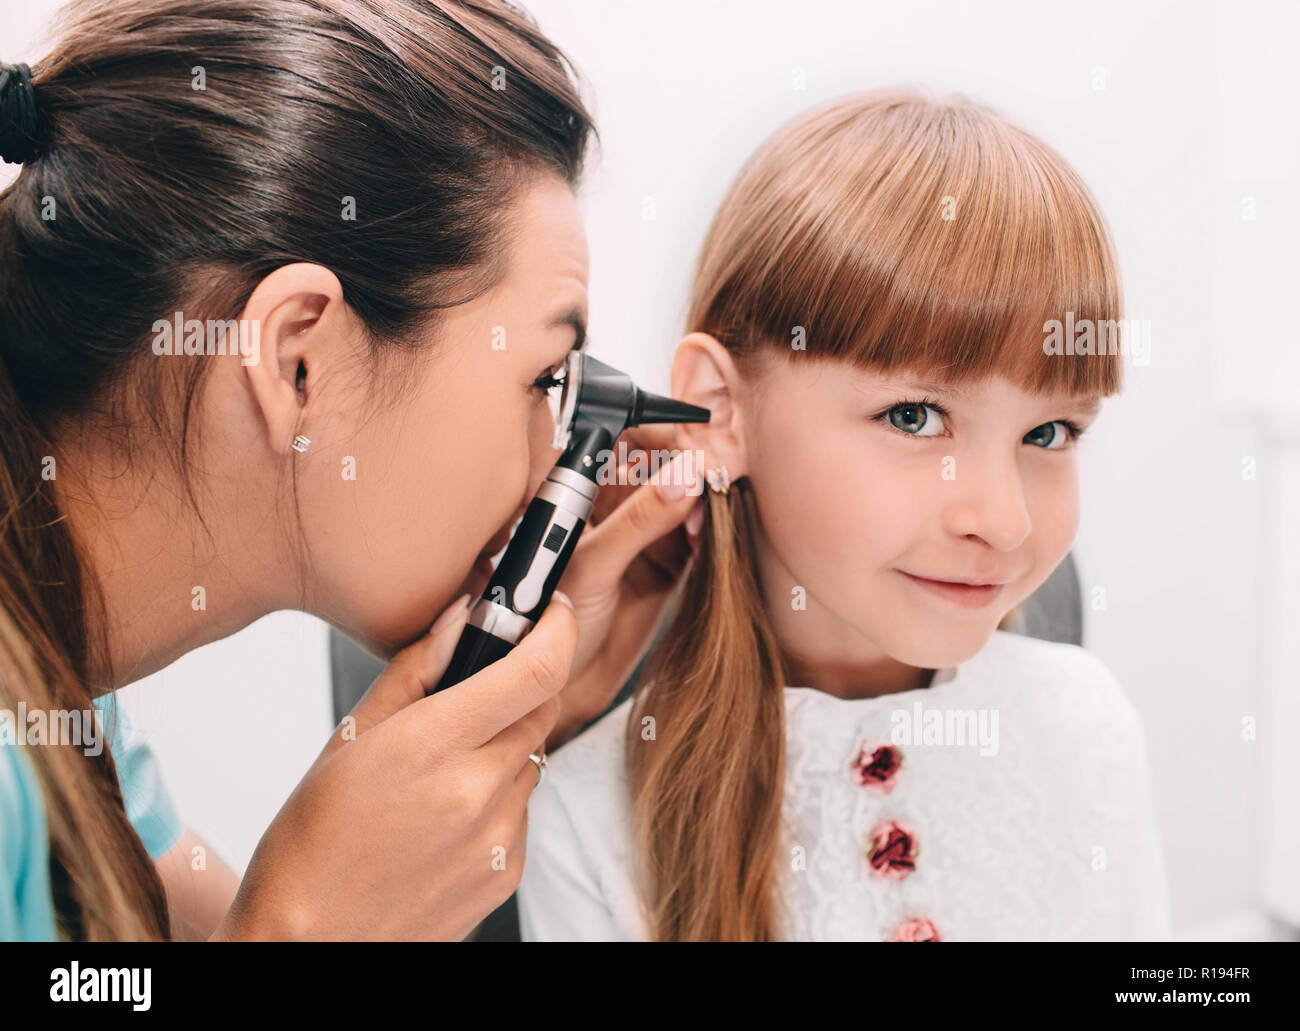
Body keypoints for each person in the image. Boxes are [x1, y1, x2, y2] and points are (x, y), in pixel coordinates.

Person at [0, 0, 704, 942]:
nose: (559, 461)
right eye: (543, 377)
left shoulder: (77, 714)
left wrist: (513, 729)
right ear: (300, 360)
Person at [517, 88, 1174, 942]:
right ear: (722, 409)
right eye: (913, 416)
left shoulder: (1087, 728)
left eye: (1050, 431)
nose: (1004, 520)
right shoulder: (589, 814)